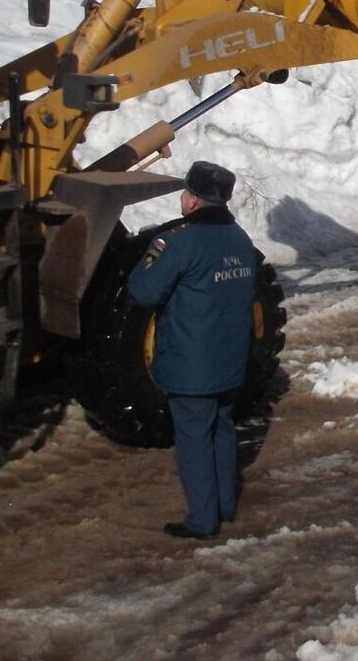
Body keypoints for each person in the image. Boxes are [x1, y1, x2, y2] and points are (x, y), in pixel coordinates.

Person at [128, 161, 260, 540]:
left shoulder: (179, 242)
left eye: (186, 192)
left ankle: (202, 521)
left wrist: (150, 254)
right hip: (229, 361)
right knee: (221, 428)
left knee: (193, 440)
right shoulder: (241, 240)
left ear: (192, 200)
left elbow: (143, 292)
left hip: (191, 366)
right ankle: (225, 505)